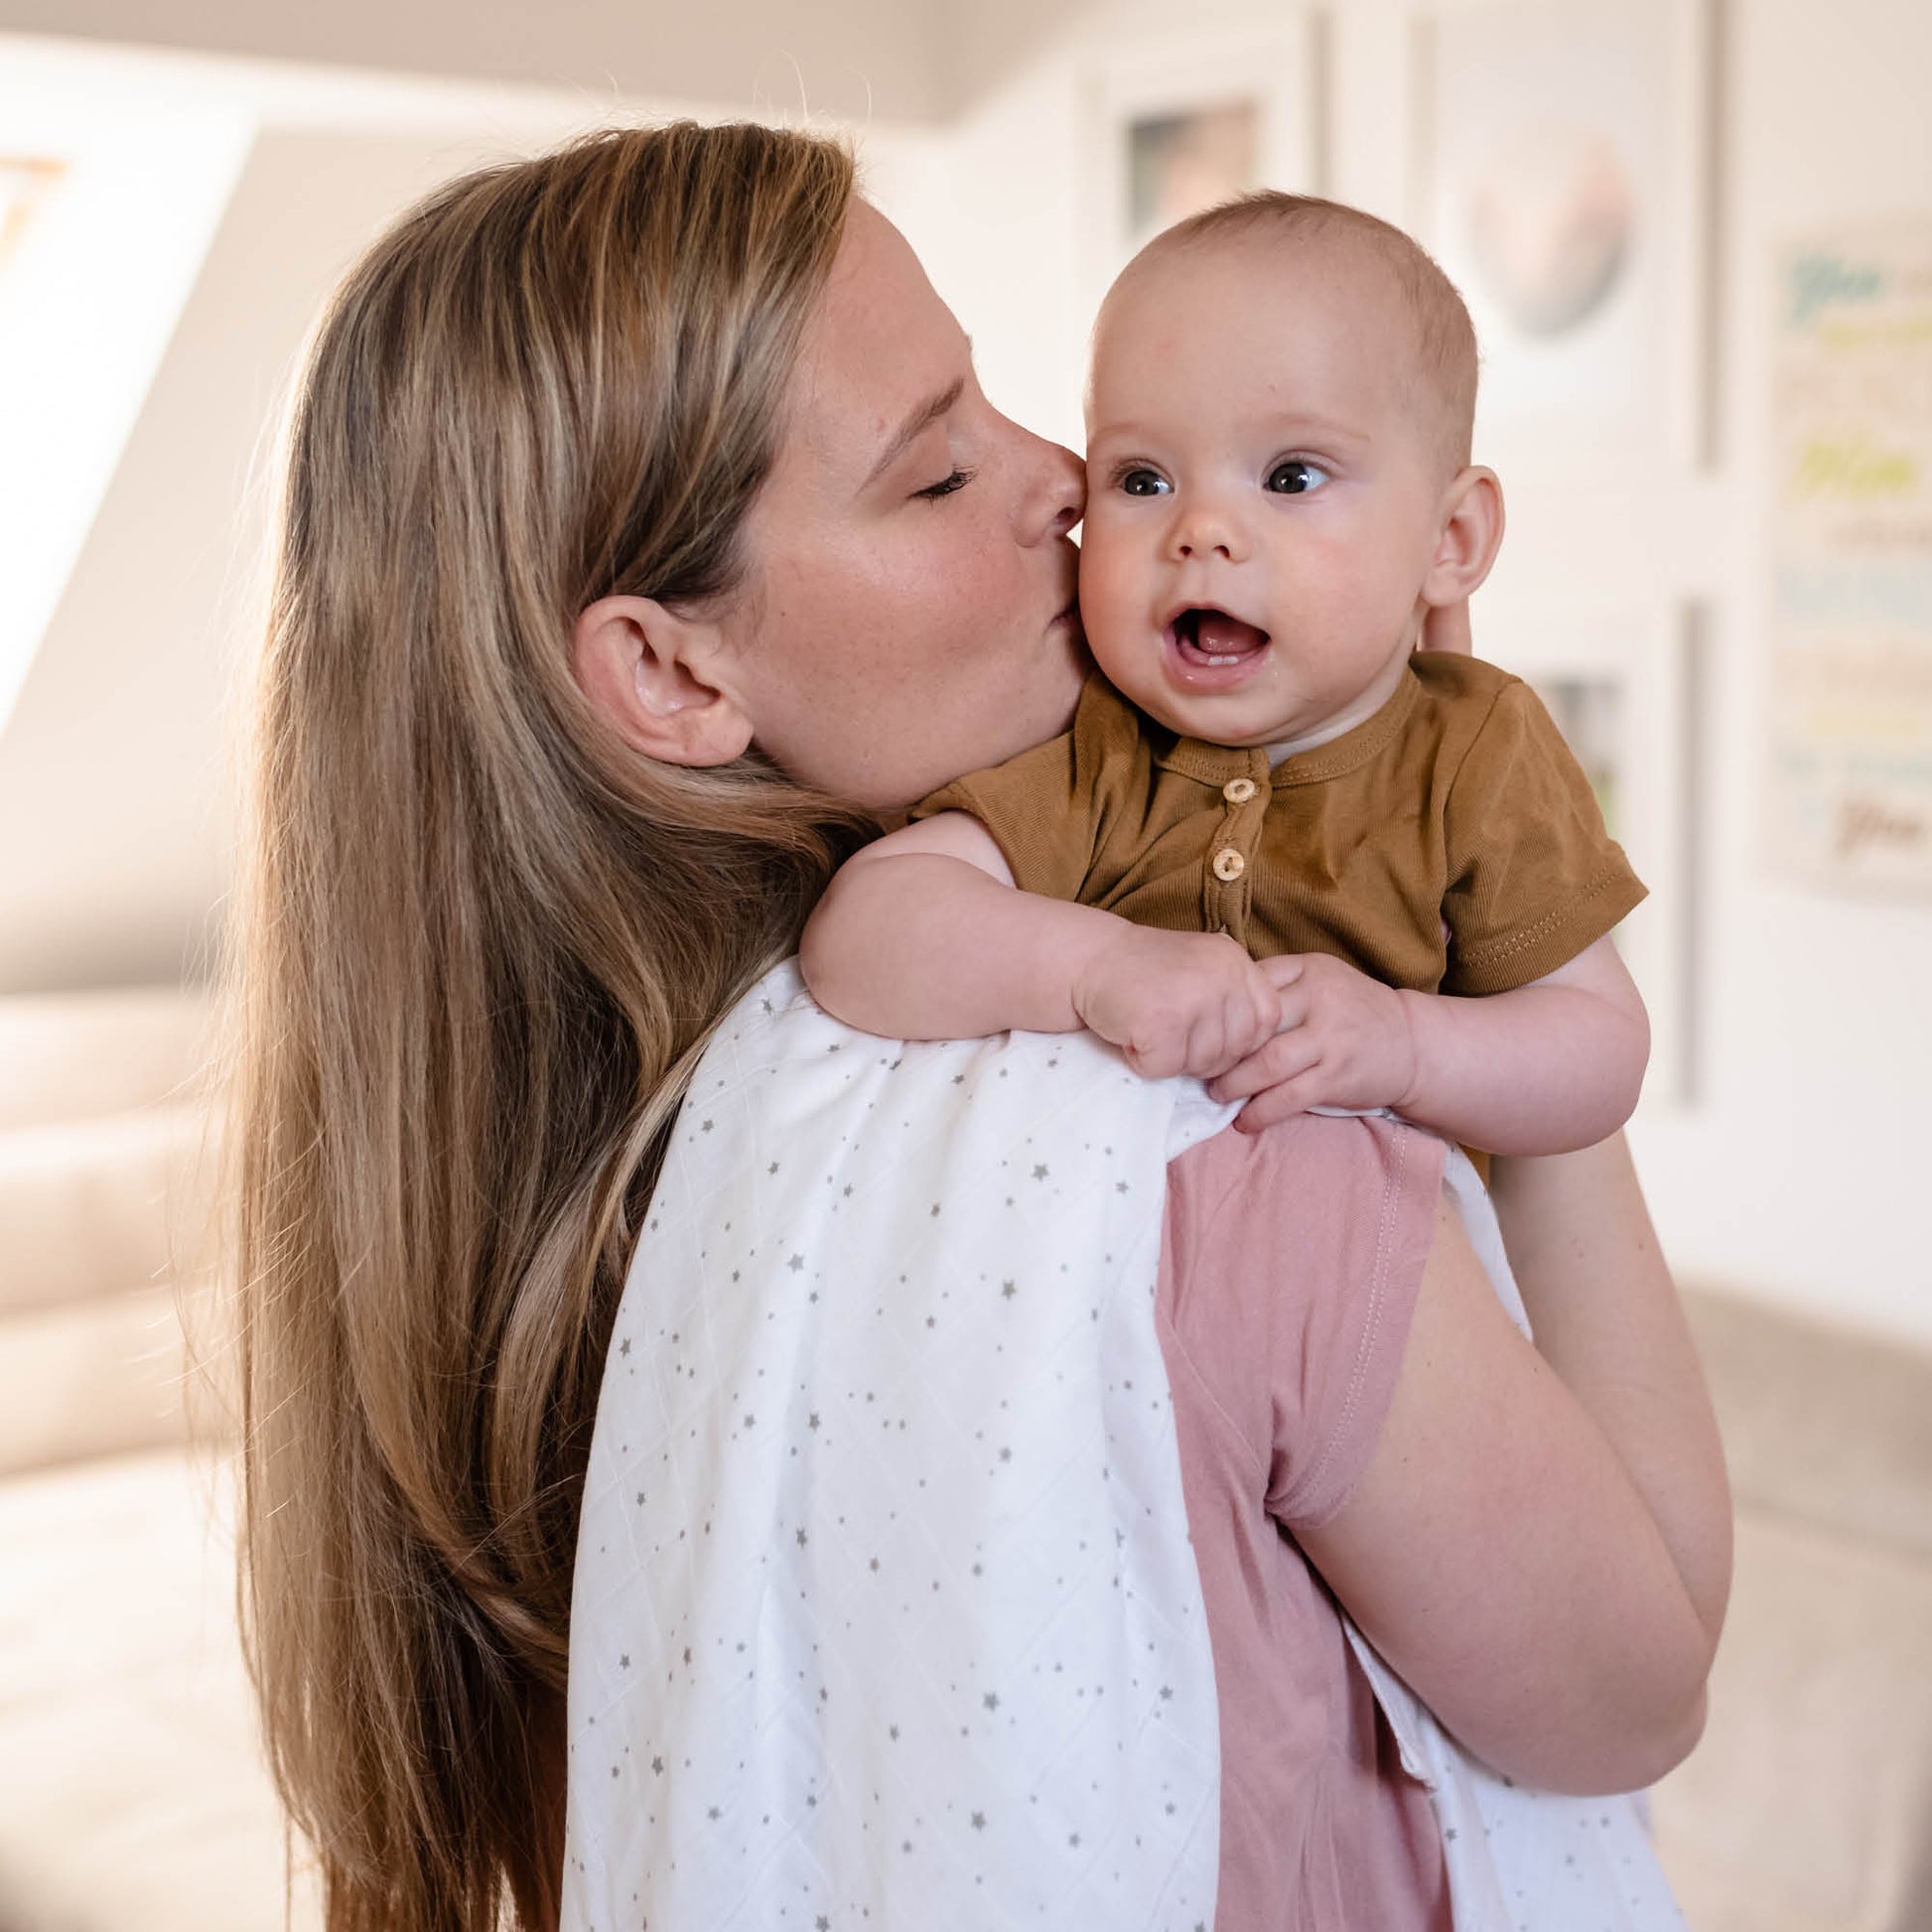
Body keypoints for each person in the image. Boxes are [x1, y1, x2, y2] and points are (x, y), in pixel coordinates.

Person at [228, 121, 1729, 1932]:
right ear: (672, 671)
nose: (1070, 490)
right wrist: (1496, 943)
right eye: (937, 470)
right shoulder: (1236, 1159)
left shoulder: (582, 1237)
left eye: (1009, 407)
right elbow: (1639, 1685)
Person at [800, 194, 1649, 1165]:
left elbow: (1600, 1047)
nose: (1199, 529)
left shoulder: (1474, 751)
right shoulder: (1101, 743)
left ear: (1448, 540)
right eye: (1142, 479)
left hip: (1384, 1249)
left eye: (1290, 477)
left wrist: (1411, 1046)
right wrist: (1098, 966)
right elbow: (867, 929)